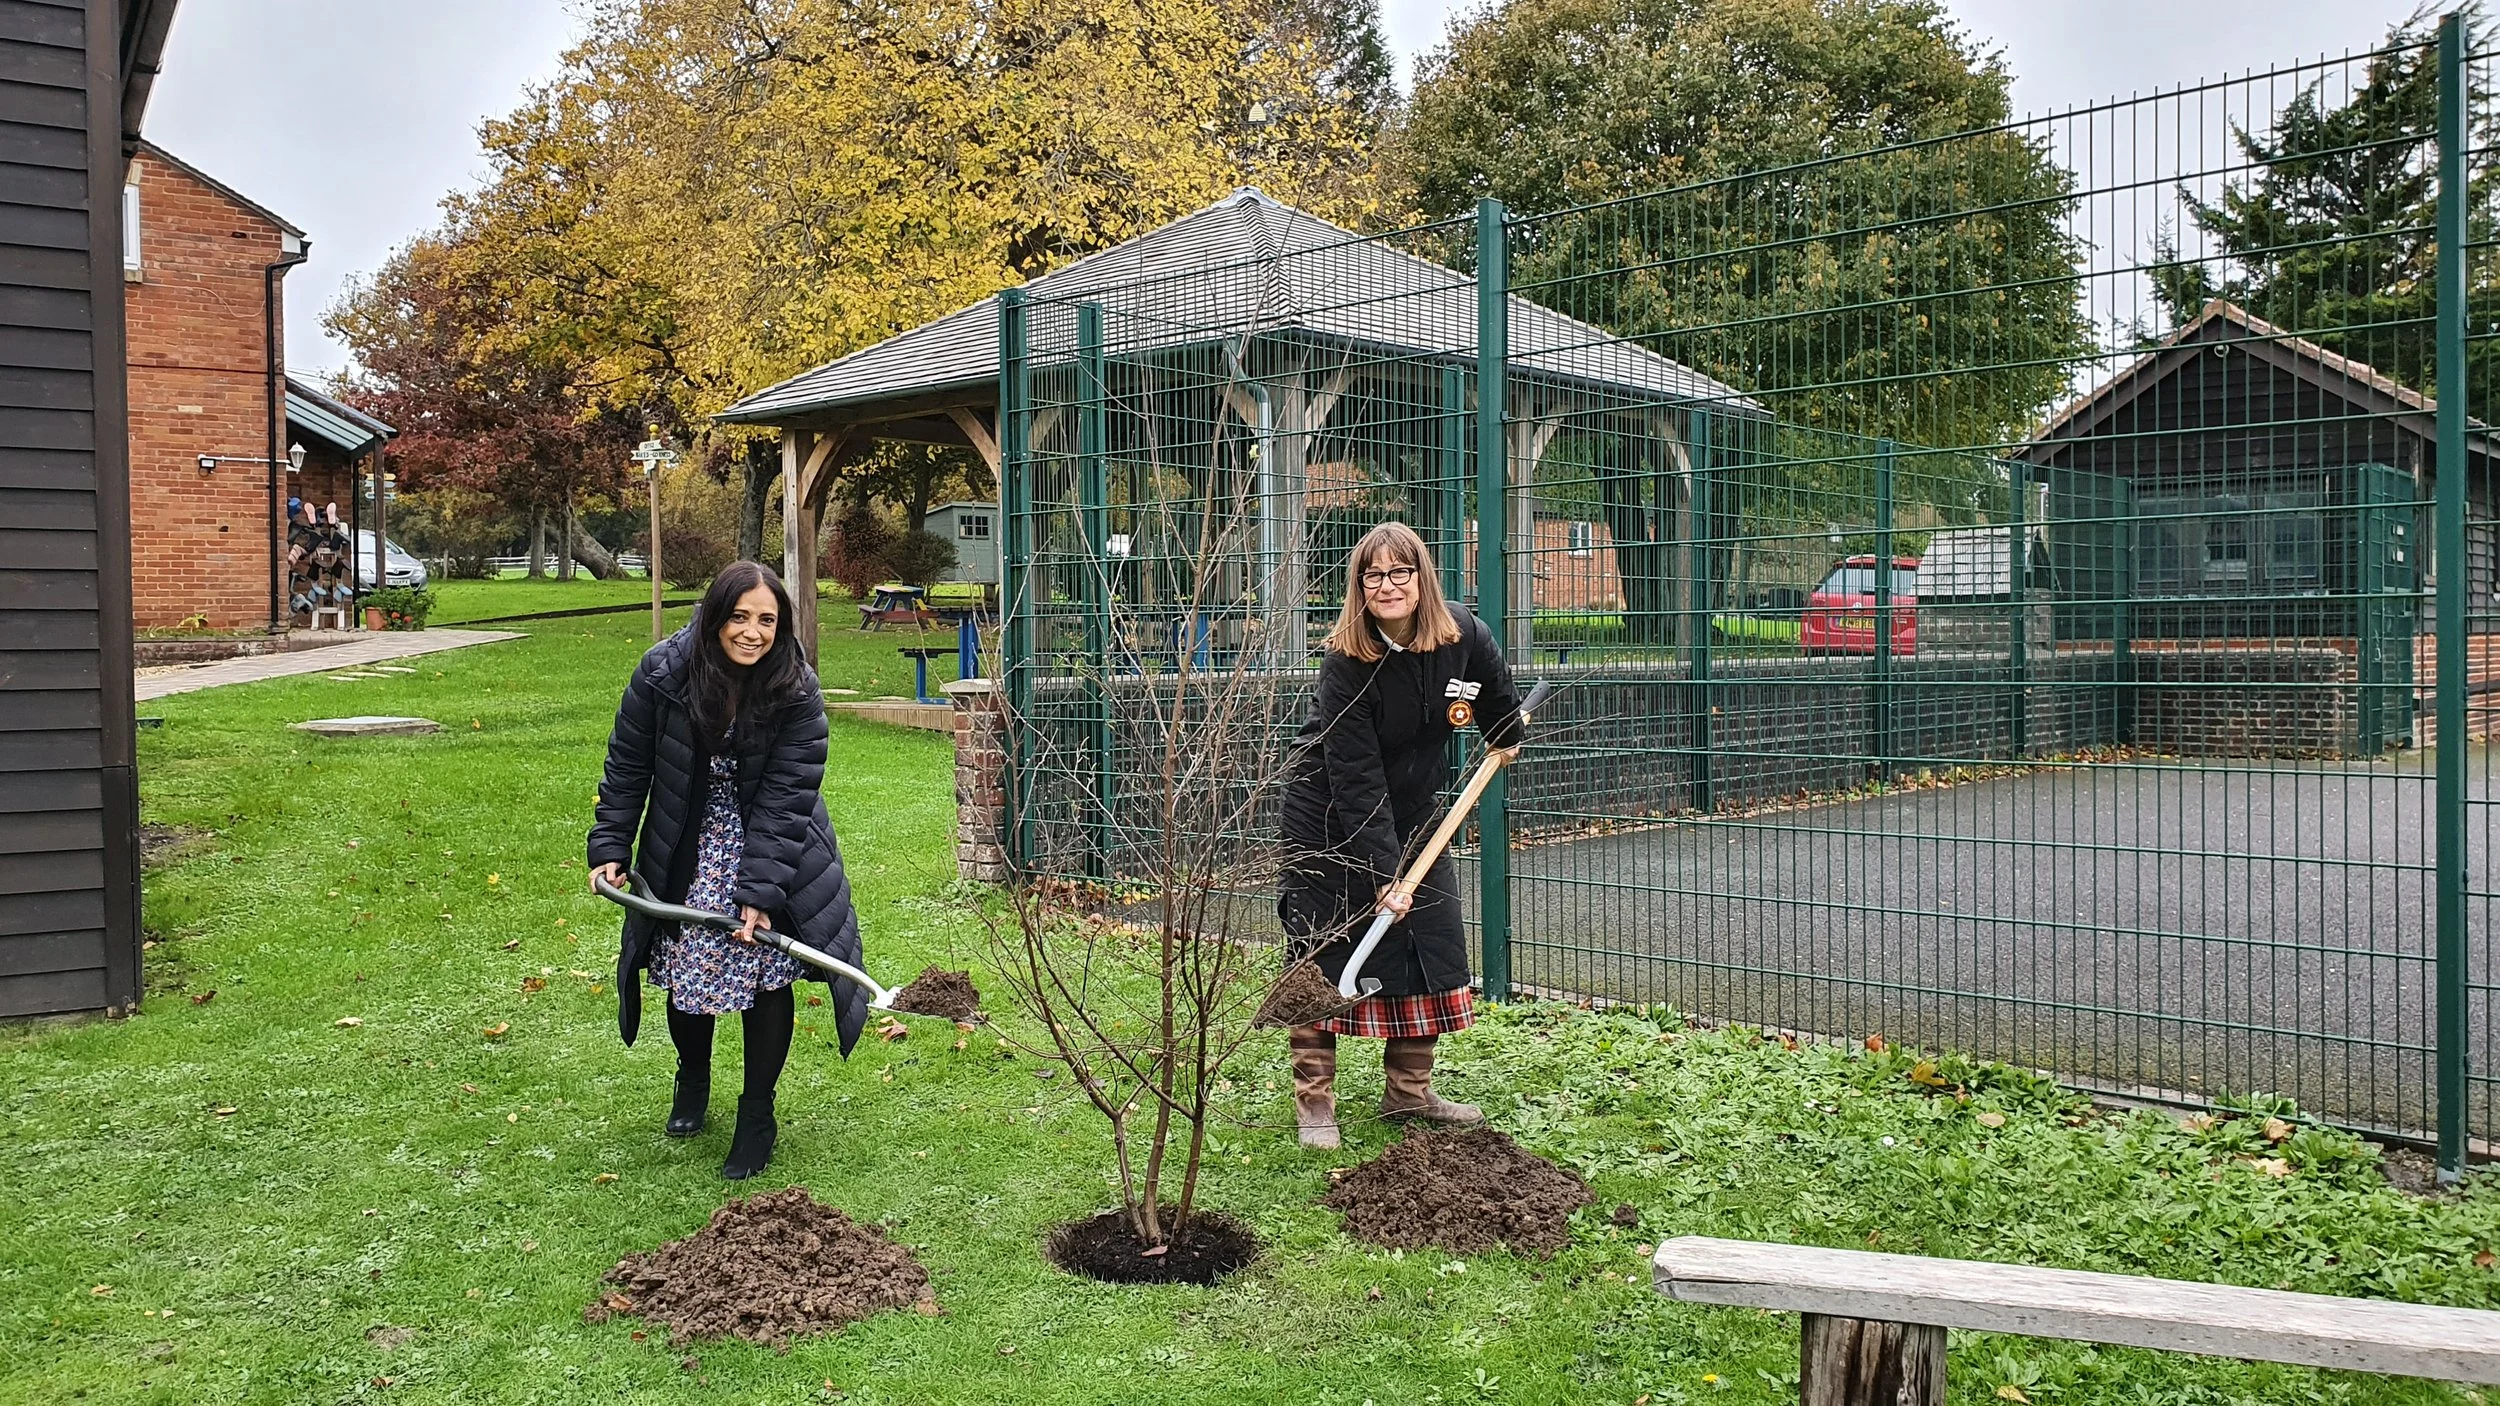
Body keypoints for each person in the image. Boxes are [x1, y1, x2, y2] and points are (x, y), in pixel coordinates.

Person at [588, 560, 868, 1179]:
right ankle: (693, 1081)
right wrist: (611, 843)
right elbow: (628, 764)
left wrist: (761, 888)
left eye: (767, 620)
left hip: (771, 839)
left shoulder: (795, 685)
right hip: (686, 835)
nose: (753, 632)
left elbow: (788, 794)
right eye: (740, 617)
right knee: (689, 972)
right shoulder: (663, 672)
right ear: (715, 617)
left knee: (765, 975)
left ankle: (757, 1113)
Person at [1276, 521, 1526, 1150]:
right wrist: (1388, 875)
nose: (1386, 586)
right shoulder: (1345, 661)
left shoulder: (1464, 635)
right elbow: (1354, 776)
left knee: (1429, 941)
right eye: (1372, 575)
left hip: (1416, 810)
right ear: (1359, 588)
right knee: (1322, 954)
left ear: (1421, 578)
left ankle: (1408, 1096)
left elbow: (1497, 698)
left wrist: (1505, 735)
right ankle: (1315, 1103)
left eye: (1398, 573)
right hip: (1327, 817)